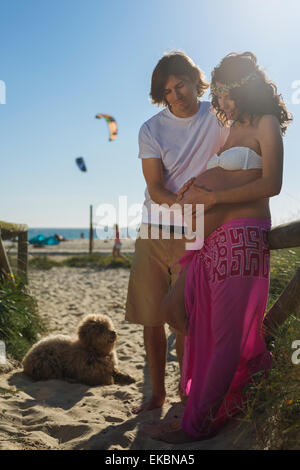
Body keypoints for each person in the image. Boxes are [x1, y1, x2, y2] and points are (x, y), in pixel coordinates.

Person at [153, 51, 292, 443]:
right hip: (208, 242)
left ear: (246, 88)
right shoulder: (228, 129)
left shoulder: (266, 124)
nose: (224, 101)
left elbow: (272, 184)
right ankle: (210, 398)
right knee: (186, 318)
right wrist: (195, 188)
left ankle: (196, 427)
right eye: (220, 94)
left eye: (229, 93)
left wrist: (213, 200)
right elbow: (221, 174)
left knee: (226, 335)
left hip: (243, 237)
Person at [125, 51, 230, 413]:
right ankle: (157, 394)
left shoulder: (217, 117)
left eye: (180, 84)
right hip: (155, 229)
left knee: (185, 317)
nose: (176, 94)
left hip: (198, 232)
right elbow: (155, 187)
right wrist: (184, 204)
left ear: (193, 80)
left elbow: (238, 153)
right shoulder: (150, 130)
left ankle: (187, 389)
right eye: (167, 90)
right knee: (152, 316)